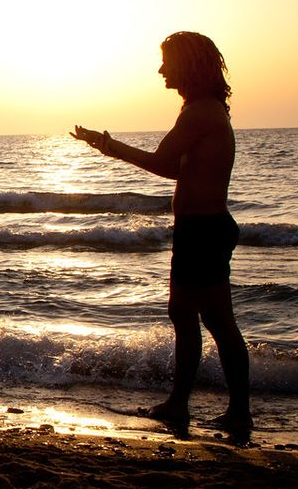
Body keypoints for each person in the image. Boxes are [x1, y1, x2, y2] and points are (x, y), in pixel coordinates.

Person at [74, 31, 251, 440]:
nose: (161, 70)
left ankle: (237, 411)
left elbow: (160, 162)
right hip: (197, 230)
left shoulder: (200, 113)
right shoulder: (202, 110)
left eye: (167, 62)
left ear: (187, 65)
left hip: (205, 231)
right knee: (184, 316)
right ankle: (180, 403)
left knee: (219, 323)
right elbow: (174, 170)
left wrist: (109, 146)